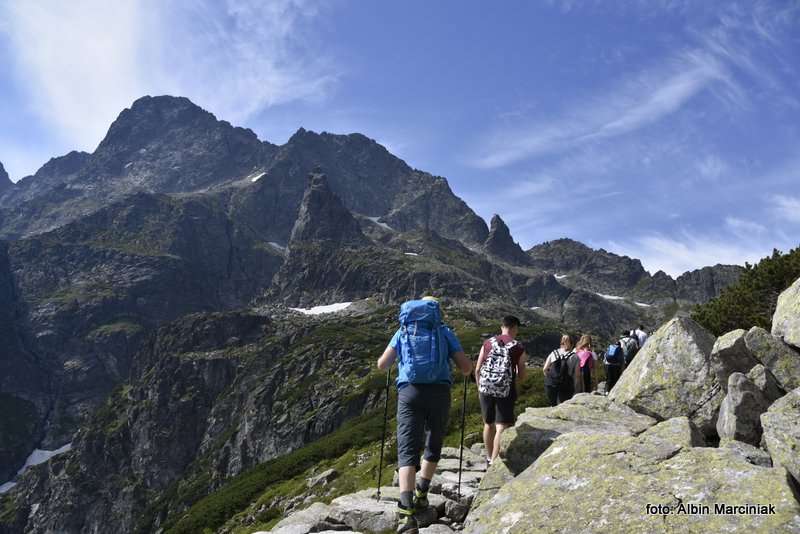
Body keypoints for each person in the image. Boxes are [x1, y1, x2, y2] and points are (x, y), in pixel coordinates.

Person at [377, 296, 472, 534]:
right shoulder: (444, 332)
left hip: (409, 393)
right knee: (433, 442)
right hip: (439, 393)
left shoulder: (403, 331)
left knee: (407, 449)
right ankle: (421, 493)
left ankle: (406, 512)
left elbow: (383, 364)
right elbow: (465, 367)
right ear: (437, 311)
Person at [475, 315, 528, 466]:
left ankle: (488, 457)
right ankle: (494, 461)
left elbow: (477, 369)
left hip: (485, 388)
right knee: (501, 426)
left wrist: (480, 388)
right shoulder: (518, 347)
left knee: (488, 423)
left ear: (502, 326)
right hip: (505, 389)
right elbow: (522, 375)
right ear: (515, 328)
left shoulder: (488, 343)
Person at [542, 334, 578, 406]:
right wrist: (576, 389)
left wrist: (550, 378)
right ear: (572, 344)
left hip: (551, 384)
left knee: (553, 405)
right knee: (564, 406)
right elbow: (577, 375)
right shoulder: (574, 356)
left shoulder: (553, 353)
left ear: (561, 342)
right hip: (566, 385)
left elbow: (544, 369)